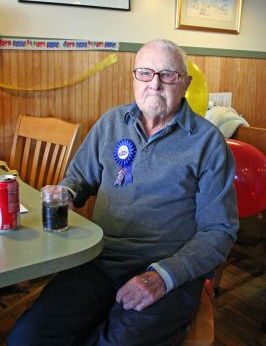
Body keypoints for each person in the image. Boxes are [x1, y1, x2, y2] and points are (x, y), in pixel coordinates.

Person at [8, 39, 239, 346]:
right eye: (145, 73)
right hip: (99, 258)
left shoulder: (209, 143)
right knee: (27, 337)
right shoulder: (111, 123)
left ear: (185, 83)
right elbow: (78, 179)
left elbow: (220, 230)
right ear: (134, 78)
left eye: (168, 74)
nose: (154, 84)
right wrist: (66, 191)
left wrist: (162, 277)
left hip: (167, 270)